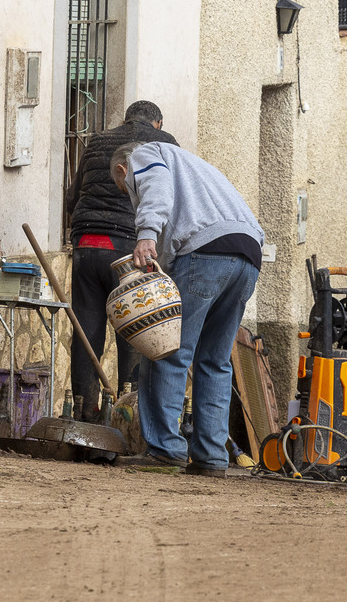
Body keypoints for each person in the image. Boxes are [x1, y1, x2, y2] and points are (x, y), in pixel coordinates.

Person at [109, 140, 263, 477]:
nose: (130, 196)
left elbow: (157, 189)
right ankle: (210, 457)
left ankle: (165, 451)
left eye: (126, 190)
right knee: (215, 361)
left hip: (205, 254)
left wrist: (146, 233)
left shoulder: (145, 155)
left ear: (122, 170)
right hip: (249, 255)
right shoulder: (194, 166)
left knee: (167, 351)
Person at [64, 100, 178, 421]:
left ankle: (84, 412)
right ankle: (128, 415)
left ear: (125, 120)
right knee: (137, 327)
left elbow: (72, 199)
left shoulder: (97, 141)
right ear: (158, 123)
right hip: (131, 247)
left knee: (86, 329)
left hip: (87, 243)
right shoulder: (164, 142)